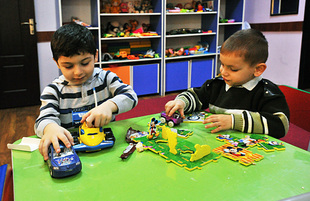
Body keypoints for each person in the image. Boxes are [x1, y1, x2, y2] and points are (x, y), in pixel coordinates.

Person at [35, 23, 138, 160]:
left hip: (107, 150)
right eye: (68, 66)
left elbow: (131, 96)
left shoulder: (106, 78)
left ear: (95, 56)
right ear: (57, 63)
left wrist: (109, 106)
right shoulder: (53, 90)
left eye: (84, 63)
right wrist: (50, 128)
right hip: (71, 153)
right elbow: (43, 119)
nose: (78, 72)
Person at [165, 29, 289, 139]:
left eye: (233, 69)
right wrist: (181, 102)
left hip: (251, 157)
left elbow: (280, 125)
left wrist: (234, 121)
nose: (223, 72)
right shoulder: (217, 84)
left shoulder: (267, 92)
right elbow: (197, 96)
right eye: (222, 64)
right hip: (218, 148)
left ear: (258, 69)